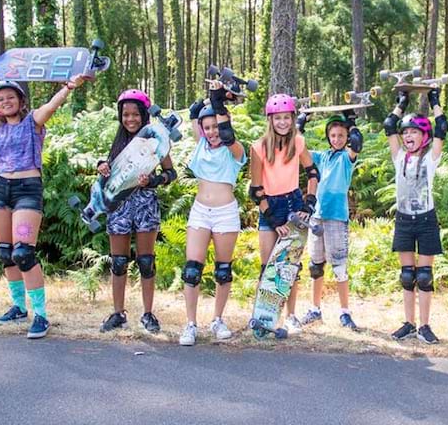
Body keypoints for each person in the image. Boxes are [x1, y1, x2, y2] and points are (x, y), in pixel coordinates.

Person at [0, 76, 89, 338]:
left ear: (21, 100)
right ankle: (19, 308)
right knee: (6, 252)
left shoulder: (33, 122)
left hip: (27, 190)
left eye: (11, 97)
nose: (6, 102)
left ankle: (41, 315)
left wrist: (70, 86)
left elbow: (52, 106)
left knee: (23, 254)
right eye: (1, 99)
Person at [98, 89, 176, 334]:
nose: (130, 119)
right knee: (119, 262)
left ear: (144, 115)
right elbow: (107, 170)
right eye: (125, 114)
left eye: (135, 115)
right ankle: (118, 313)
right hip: (120, 206)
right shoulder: (117, 141)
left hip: (145, 204)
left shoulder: (156, 141)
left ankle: (148, 314)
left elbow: (170, 174)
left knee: (145, 261)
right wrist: (101, 166)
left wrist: (152, 182)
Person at [179, 87, 246, 346]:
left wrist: (220, 107)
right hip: (200, 212)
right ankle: (190, 324)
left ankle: (217, 319)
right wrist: (212, 94)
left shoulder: (234, 150)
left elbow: (227, 135)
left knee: (223, 270)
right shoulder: (201, 147)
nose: (211, 133)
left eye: (215, 128)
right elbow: (194, 114)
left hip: (225, 214)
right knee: (192, 270)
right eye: (207, 128)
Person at [382, 87, 448, 344]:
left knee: (424, 276)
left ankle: (425, 325)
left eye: (414, 132)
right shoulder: (399, 157)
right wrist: (402, 101)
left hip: (426, 219)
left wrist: (434, 101)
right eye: (406, 132)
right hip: (404, 218)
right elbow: (389, 124)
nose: (408, 135)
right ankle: (409, 323)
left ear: (424, 137)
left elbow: (442, 126)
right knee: (407, 276)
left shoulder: (431, 158)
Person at [249, 94, 319, 334]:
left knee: (289, 267)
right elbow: (256, 190)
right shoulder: (258, 148)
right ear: (270, 120)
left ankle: (290, 316)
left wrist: (309, 203)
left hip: (293, 203)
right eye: (278, 118)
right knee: (268, 267)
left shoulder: (298, 142)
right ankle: (262, 317)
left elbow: (312, 173)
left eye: (287, 118)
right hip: (269, 207)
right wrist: (273, 219)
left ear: (292, 118)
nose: (283, 122)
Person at [296, 111, 363, 330]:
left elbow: (357, 143)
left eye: (341, 136)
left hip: (336, 217)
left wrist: (351, 122)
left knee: (340, 267)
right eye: (333, 135)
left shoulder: (347, 158)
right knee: (316, 266)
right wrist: (300, 124)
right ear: (328, 137)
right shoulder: (322, 157)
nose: (337, 139)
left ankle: (345, 312)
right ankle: (315, 309)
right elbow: (299, 148)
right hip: (317, 216)